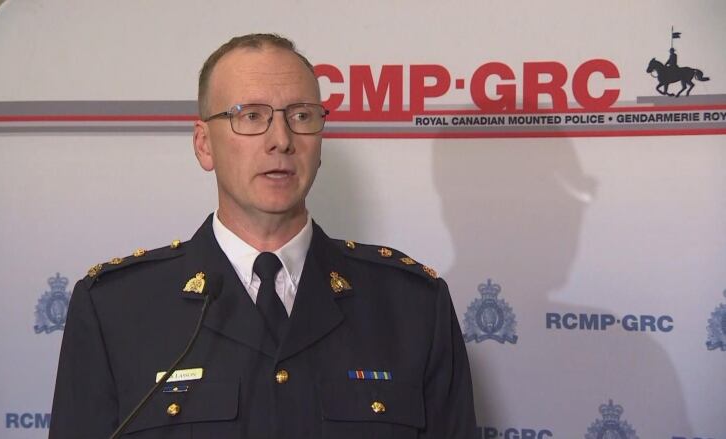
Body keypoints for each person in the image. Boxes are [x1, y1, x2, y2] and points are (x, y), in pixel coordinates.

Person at [50, 33, 477, 439]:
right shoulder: (114, 308)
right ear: (204, 145)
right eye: (251, 116)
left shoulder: (412, 306)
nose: (281, 140)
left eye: (301, 116)